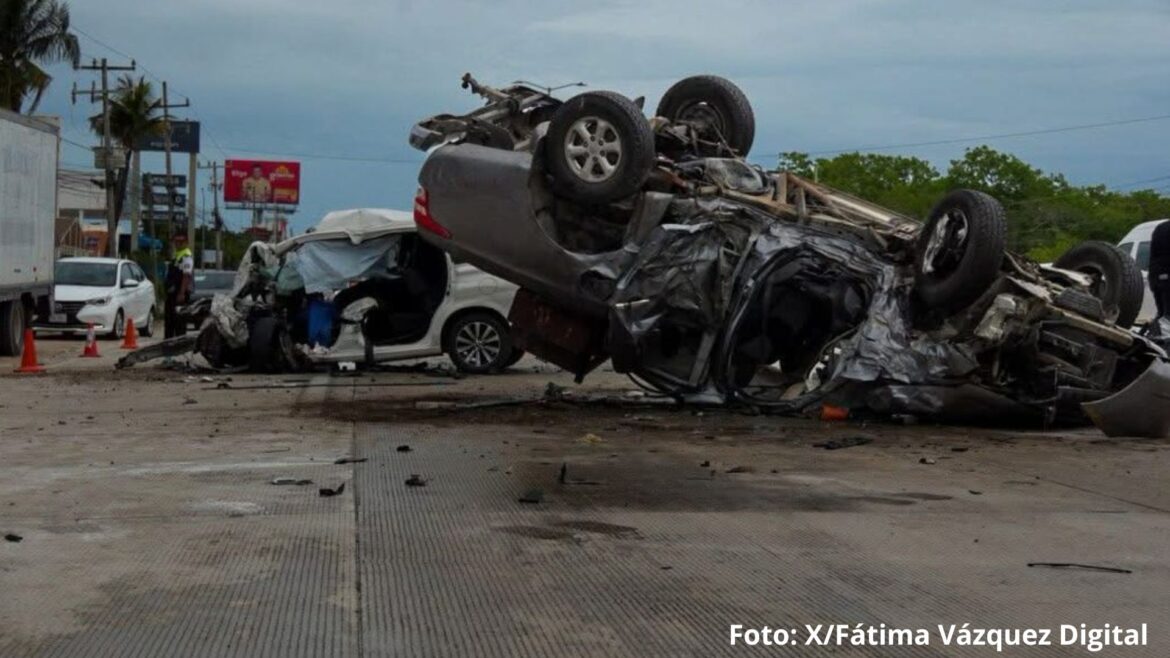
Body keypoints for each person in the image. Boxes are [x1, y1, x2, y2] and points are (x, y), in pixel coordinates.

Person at [164, 233, 195, 338]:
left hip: (179, 294)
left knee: (179, 321)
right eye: (176, 241)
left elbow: (186, 275)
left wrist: (181, 293)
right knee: (170, 321)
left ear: (186, 243)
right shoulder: (177, 255)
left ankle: (178, 342)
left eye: (181, 242)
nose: (178, 244)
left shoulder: (186, 256)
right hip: (172, 294)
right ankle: (168, 342)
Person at [1150, 221, 1170, 318]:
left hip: (1155, 275)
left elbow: (1153, 252)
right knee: (1167, 315)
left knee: (1162, 313)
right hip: (1167, 276)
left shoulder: (1160, 228)